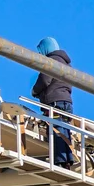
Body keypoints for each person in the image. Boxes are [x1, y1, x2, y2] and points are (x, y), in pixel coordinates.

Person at [31, 37, 74, 169]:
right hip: (67, 102)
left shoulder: (51, 62)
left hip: (54, 102)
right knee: (65, 130)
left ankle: (60, 161)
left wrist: (35, 91)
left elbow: (44, 80)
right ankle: (68, 159)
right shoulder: (67, 65)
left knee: (56, 129)